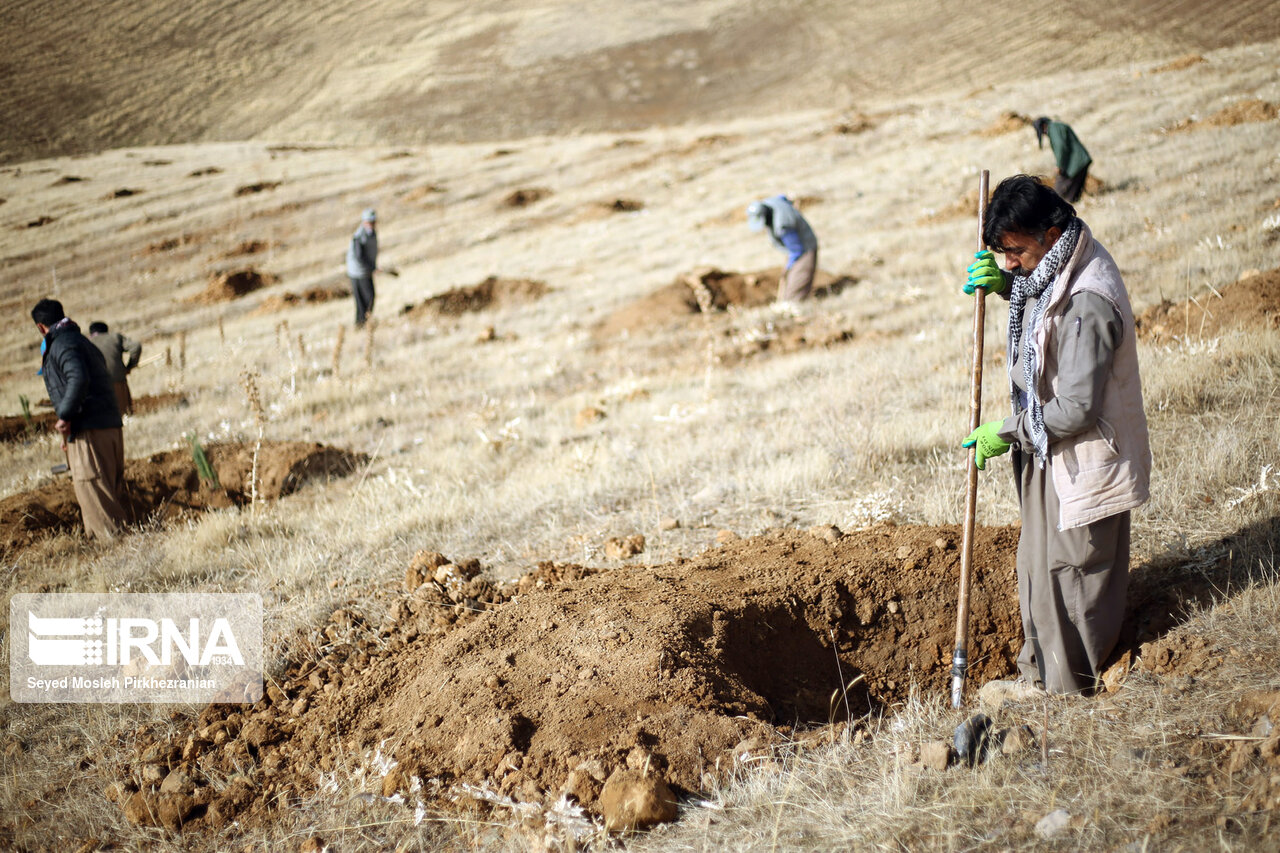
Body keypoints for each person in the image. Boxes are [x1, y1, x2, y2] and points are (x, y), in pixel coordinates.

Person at [961, 175, 1151, 695]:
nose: (1010, 264)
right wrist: (1010, 287)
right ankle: (1037, 677)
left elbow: (1076, 408)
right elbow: (1044, 308)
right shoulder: (1059, 261)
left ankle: (1069, 694)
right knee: (1037, 569)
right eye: (1003, 255)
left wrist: (1006, 431)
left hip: (1084, 455)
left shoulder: (1088, 300)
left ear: (1050, 233)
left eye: (1016, 253)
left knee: (1072, 578)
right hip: (1050, 453)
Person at [31, 298, 129, 540]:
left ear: (40, 327)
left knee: (97, 498)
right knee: (107, 495)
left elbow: (78, 378)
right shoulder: (83, 341)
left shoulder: (62, 344)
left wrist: (65, 415)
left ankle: (120, 557)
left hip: (89, 433)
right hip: (108, 426)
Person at [746, 195, 819, 303]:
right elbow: (783, 198)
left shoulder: (782, 226)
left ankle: (798, 307)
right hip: (796, 248)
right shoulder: (769, 203)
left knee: (794, 293)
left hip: (805, 250)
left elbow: (797, 249)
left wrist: (789, 266)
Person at [87, 321, 142, 416]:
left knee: (104, 416)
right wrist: (130, 366)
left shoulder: (87, 342)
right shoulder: (115, 337)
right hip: (118, 379)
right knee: (125, 413)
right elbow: (136, 347)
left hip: (97, 384)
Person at [1032, 116, 1092, 203]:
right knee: (1074, 193)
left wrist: (1059, 166)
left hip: (1075, 164)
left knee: (1059, 191)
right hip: (1081, 161)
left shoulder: (1053, 129)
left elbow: (1061, 146)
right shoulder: (1057, 126)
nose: (1044, 134)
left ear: (1044, 126)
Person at [346, 208, 380, 327]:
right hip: (357, 272)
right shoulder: (359, 237)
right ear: (364, 222)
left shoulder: (372, 233)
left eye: (373, 221)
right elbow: (359, 256)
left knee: (370, 297)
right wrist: (372, 267)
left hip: (366, 271)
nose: (372, 224)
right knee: (362, 299)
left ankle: (366, 321)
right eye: (369, 222)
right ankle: (360, 324)